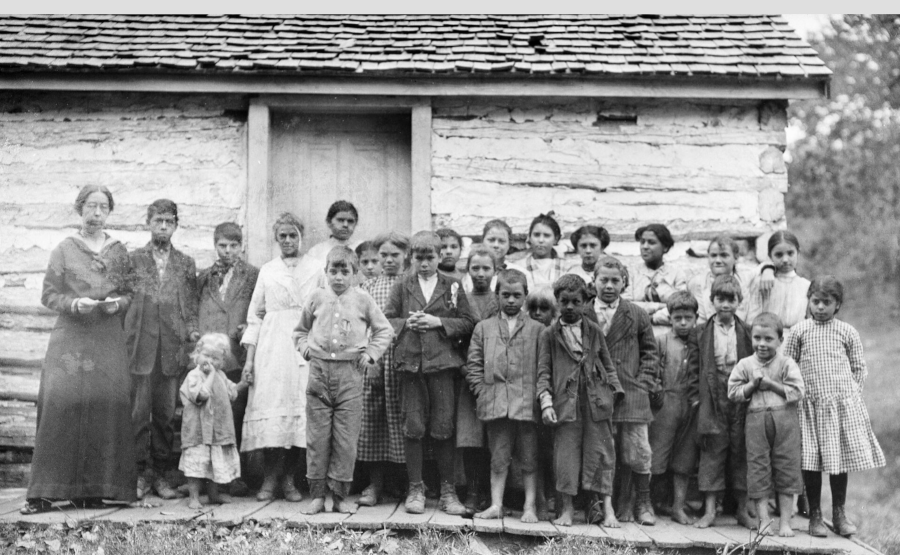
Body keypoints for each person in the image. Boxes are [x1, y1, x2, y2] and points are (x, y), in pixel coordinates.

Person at [23, 185, 136, 514]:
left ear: (109, 212)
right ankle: (44, 492)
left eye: (103, 207)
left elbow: (129, 292)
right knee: (61, 404)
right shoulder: (64, 250)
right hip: (71, 336)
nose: (97, 213)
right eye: (91, 206)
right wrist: (73, 303)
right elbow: (48, 295)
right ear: (79, 209)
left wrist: (118, 305)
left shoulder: (118, 252)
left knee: (107, 405)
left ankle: (94, 491)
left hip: (106, 336)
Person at [294, 247, 393, 515]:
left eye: (344, 271)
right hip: (319, 373)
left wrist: (371, 354)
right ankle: (316, 496)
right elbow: (300, 331)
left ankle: (339, 496)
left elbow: (384, 330)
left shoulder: (363, 299)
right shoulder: (315, 298)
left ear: (354, 273)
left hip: (350, 374)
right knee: (317, 437)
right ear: (325, 272)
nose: (338, 277)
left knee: (346, 439)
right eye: (333, 271)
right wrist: (305, 349)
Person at [783, 276, 885, 537]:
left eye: (826, 302)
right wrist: (794, 396)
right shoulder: (799, 331)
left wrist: (850, 397)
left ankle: (839, 512)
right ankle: (815, 514)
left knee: (838, 462)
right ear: (809, 302)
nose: (820, 307)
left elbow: (859, 367)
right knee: (812, 462)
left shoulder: (847, 331)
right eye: (815, 301)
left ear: (837, 304)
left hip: (839, 408)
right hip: (809, 408)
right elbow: (787, 365)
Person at [383, 231, 476, 516]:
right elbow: (386, 320)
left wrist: (438, 321)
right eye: (419, 258)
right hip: (410, 365)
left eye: (430, 258)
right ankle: (416, 488)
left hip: (442, 367)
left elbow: (469, 322)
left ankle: (448, 491)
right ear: (411, 257)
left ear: (440, 257)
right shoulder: (402, 285)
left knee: (444, 427)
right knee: (413, 426)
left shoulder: (452, 285)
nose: (424, 264)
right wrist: (406, 324)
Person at [241, 212, 318, 502]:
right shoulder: (268, 270)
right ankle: (270, 478)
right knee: (273, 408)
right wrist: (249, 360)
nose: (288, 240)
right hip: (272, 346)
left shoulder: (315, 268)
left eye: (293, 235)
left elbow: (321, 309)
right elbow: (255, 316)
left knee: (300, 411)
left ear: (301, 236)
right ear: (276, 239)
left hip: (303, 343)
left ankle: (290, 479)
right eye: (282, 236)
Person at [126, 199, 199, 500]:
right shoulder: (134, 259)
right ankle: (139, 475)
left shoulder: (185, 263)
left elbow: (191, 305)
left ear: (176, 226)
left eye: (169, 221)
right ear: (148, 223)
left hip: (171, 349)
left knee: (167, 416)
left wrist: (192, 333)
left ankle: (161, 476)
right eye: (158, 221)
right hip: (141, 348)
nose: (164, 227)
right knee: (140, 414)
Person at [537, 274, 623, 528]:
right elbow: (544, 372)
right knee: (566, 457)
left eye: (576, 302)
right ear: (557, 302)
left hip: (596, 403)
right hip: (566, 404)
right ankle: (567, 510)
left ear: (586, 302)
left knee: (602, 454)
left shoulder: (594, 331)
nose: (571, 307)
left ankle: (608, 511)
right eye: (565, 302)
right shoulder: (550, 335)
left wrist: (614, 395)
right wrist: (546, 403)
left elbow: (607, 364)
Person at [466, 269, 543, 523]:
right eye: (505, 295)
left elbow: (544, 367)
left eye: (516, 295)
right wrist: (482, 392)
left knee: (529, 458)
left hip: (526, 404)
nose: (511, 300)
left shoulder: (538, 329)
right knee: (498, 457)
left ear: (525, 296)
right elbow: (474, 365)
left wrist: (538, 397)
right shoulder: (483, 328)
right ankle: (496, 504)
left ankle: (530, 507)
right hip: (496, 403)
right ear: (497, 295)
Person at [589, 256, 659, 525]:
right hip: (597, 393)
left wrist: (642, 381)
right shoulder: (584, 312)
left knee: (638, 451)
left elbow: (651, 352)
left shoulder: (636, 314)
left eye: (615, 280)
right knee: (600, 450)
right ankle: (596, 505)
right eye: (603, 280)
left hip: (631, 393)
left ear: (624, 283)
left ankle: (642, 503)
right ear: (593, 281)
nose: (608, 286)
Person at [197, 222, 259, 495]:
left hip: (235, 354)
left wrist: (248, 326)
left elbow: (259, 308)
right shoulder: (204, 276)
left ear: (242, 246)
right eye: (222, 245)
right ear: (215, 245)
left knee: (234, 414)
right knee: (209, 415)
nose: (228, 251)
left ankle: (234, 476)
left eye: (234, 245)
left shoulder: (253, 275)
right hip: (211, 354)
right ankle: (206, 475)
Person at [728, 313, 804, 537]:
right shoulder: (745, 364)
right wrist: (751, 386)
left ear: (780, 340)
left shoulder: (787, 363)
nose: (762, 344)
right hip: (756, 421)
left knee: (787, 468)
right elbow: (732, 392)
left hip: (785, 421)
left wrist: (771, 385)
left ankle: (785, 523)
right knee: (758, 468)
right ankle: (763, 521)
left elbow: (798, 391)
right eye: (757, 338)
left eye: (768, 339)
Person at [688, 274, 754, 529]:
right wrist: (696, 400)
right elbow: (694, 369)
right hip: (712, 397)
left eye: (731, 299)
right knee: (712, 453)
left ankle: (741, 510)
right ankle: (709, 511)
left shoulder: (747, 331)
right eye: (720, 299)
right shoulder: (701, 332)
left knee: (741, 451)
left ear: (739, 301)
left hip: (739, 396)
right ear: (712, 300)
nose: (725, 304)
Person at [357, 231, 411, 507]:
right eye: (384, 256)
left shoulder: (410, 284)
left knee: (404, 422)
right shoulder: (368, 287)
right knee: (374, 422)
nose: (389, 260)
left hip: (403, 361)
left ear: (405, 256)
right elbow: (362, 326)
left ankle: (404, 484)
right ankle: (374, 485)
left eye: (395, 255)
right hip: (377, 362)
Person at [180, 333, 250, 510]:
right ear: (197, 354)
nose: (210, 361)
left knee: (213, 463)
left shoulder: (220, 375)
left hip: (217, 429)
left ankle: (213, 494)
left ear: (222, 361)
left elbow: (231, 392)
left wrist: (242, 383)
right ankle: (194, 496)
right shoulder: (193, 376)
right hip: (198, 430)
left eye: (215, 358)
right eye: (206, 355)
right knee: (197, 464)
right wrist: (211, 375)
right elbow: (201, 395)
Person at [648, 290, 700, 525]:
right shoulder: (662, 341)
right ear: (669, 317)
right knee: (657, 454)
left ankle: (678, 506)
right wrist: (656, 389)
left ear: (695, 318)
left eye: (687, 318)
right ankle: (648, 503)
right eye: (677, 317)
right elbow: (652, 369)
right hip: (665, 404)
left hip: (691, 405)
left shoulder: (699, 343)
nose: (682, 323)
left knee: (684, 458)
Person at [457, 244, 499, 511]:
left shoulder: (500, 299)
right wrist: (465, 369)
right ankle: (472, 491)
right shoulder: (462, 299)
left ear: (496, 271)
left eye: (486, 268)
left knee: (493, 436)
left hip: (495, 377)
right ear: (467, 270)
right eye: (476, 268)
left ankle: (492, 493)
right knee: (471, 436)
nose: (481, 273)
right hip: (466, 377)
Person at [688, 235, 774, 326]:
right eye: (713, 255)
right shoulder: (697, 283)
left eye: (724, 255)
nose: (717, 260)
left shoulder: (745, 278)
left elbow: (764, 265)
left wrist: (768, 270)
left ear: (736, 258)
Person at [625, 224, 687, 329]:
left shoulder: (676, 273)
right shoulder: (631, 273)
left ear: (665, 247)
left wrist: (653, 317)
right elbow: (626, 306)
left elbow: (681, 308)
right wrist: (660, 306)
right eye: (642, 242)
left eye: (651, 242)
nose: (645, 246)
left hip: (667, 331)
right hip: (635, 330)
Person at [747, 231, 810, 331]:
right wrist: (767, 268)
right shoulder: (762, 281)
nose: (785, 259)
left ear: (798, 252)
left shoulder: (806, 286)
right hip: (767, 339)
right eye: (779, 255)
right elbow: (752, 318)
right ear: (770, 255)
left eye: (790, 253)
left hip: (797, 339)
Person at [509, 212, 567, 292]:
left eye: (546, 235)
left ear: (556, 239)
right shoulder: (519, 267)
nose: (541, 240)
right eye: (536, 235)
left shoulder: (565, 267)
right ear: (529, 237)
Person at [305, 200, 361, 266]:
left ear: (356, 223)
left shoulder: (361, 248)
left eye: (350, 221)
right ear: (329, 222)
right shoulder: (317, 251)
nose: (345, 225)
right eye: (340, 220)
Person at [462, 219, 513, 293]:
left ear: (509, 244)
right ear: (483, 241)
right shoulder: (469, 275)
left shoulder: (519, 272)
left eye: (501, 241)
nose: (496, 245)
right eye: (491, 240)